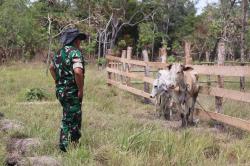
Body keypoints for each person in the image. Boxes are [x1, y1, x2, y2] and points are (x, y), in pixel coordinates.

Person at [49, 28, 87, 152]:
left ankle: (67, 145)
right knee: (74, 118)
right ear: (75, 40)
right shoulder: (75, 53)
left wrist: (57, 81)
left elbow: (51, 68)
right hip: (72, 92)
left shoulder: (58, 53)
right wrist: (80, 89)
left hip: (61, 92)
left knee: (67, 115)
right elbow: (77, 72)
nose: (80, 42)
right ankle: (68, 146)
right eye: (79, 40)